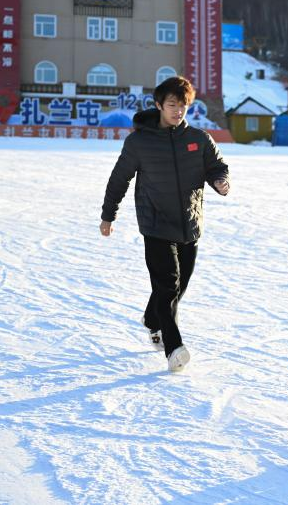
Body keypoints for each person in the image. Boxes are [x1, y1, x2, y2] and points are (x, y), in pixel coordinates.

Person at [99, 76, 230, 372]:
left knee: (178, 286)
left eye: (183, 106)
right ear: (159, 105)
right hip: (156, 224)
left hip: (189, 223)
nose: (178, 111)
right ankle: (174, 348)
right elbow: (119, 179)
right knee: (168, 286)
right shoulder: (139, 142)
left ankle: (151, 318)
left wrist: (220, 181)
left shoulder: (198, 138)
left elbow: (216, 166)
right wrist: (108, 215)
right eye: (172, 105)